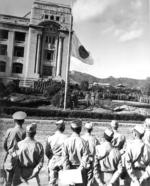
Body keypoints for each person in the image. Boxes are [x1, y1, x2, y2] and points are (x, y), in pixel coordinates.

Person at [3, 111, 27, 186]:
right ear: (23, 121)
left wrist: (9, 152)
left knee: (8, 181)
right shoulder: (25, 132)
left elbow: (4, 145)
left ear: (14, 120)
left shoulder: (9, 131)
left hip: (10, 157)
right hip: (20, 160)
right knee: (17, 182)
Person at [63, 119, 89, 186]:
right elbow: (84, 161)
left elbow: (65, 159)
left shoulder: (66, 142)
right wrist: (78, 172)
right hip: (81, 171)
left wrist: (67, 172)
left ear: (71, 128)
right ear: (80, 129)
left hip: (69, 169)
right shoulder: (84, 142)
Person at [45, 120, 67, 186]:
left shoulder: (50, 137)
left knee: (52, 182)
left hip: (53, 159)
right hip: (63, 160)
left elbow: (47, 151)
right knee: (63, 182)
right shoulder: (66, 138)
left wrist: (51, 158)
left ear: (57, 127)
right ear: (63, 127)